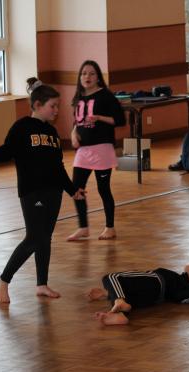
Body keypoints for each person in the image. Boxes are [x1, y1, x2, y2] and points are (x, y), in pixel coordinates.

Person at [0, 78, 85, 303]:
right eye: (52, 106)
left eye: (57, 106)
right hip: (32, 192)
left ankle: (42, 284)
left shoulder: (52, 133)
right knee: (34, 238)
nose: (56, 110)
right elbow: (6, 152)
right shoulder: (22, 127)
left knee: (45, 238)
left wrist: (72, 190)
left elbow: (58, 168)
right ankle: (3, 280)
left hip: (54, 192)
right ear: (37, 105)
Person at [67, 60, 126, 241]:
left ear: (98, 77)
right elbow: (77, 122)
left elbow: (120, 120)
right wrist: (73, 134)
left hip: (102, 148)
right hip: (84, 151)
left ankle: (110, 227)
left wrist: (99, 117)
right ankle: (83, 227)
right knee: (76, 188)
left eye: (92, 74)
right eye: (84, 73)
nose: (87, 77)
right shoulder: (78, 97)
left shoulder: (105, 96)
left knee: (103, 189)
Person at [87, 262, 189, 325]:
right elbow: (179, 296)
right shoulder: (184, 288)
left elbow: (181, 295)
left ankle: (117, 299)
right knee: (127, 299)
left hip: (154, 280)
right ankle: (120, 314)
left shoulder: (182, 284)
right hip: (152, 298)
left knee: (111, 277)